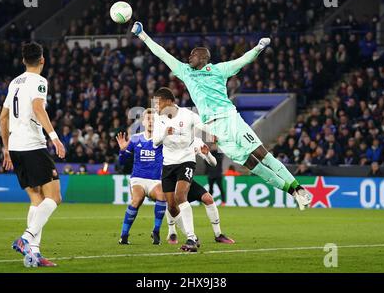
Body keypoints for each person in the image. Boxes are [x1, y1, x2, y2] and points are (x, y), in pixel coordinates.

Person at [132, 22, 312, 210]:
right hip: (214, 128)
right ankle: (293, 193)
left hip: (230, 119)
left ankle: (299, 188)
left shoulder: (218, 70)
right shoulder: (185, 71)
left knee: (261, 153)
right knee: (253, 165)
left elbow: (242, 61)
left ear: (203, 57)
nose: (189, 56)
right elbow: (162, 53)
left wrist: (258, 48)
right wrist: (142, 35)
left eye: (193, 54)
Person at [0, 42, 65, 267]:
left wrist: (6, 148)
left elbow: (3, 118)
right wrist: (54, 137)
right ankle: (25, 239)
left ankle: (33, 255)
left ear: (23, 60)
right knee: (54, 197)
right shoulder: (39, 81)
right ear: (42, 60)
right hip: (32, 146)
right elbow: (38, 108)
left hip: (16, 147)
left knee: (37, 199)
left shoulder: (14, 82)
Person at [152, 88, 202, 252]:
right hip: (168, 164)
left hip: (186, 161)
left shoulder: (188, 115)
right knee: (172, 206)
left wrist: (214, 134)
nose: (156, 107)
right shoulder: (158, 119)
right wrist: (166, 133)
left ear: (167, 101)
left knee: (181, 196)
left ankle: (190, 238)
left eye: (157, 103)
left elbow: (203, 124)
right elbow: (155, 143)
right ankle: (192, 237)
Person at [166, 137, 234, 245]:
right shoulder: (169, 137)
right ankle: (173, 232)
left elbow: (213, 163)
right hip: (170, 178)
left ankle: (218, 235)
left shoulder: (196, 141)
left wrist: (207, 155)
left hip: (186, 179)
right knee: (172, 206)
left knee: (208, 198)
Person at [116, 109, 166, 245]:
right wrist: (122, 150)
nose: (150, 121)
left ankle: (156, 231)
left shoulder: (162, 140)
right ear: (143, 122)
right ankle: (124, 235)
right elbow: (122, 162)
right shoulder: (135, 138)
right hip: (138, 178)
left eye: (153, 119)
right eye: (148, 119)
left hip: (155, 180)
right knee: (136, 200)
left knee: (162, 196)